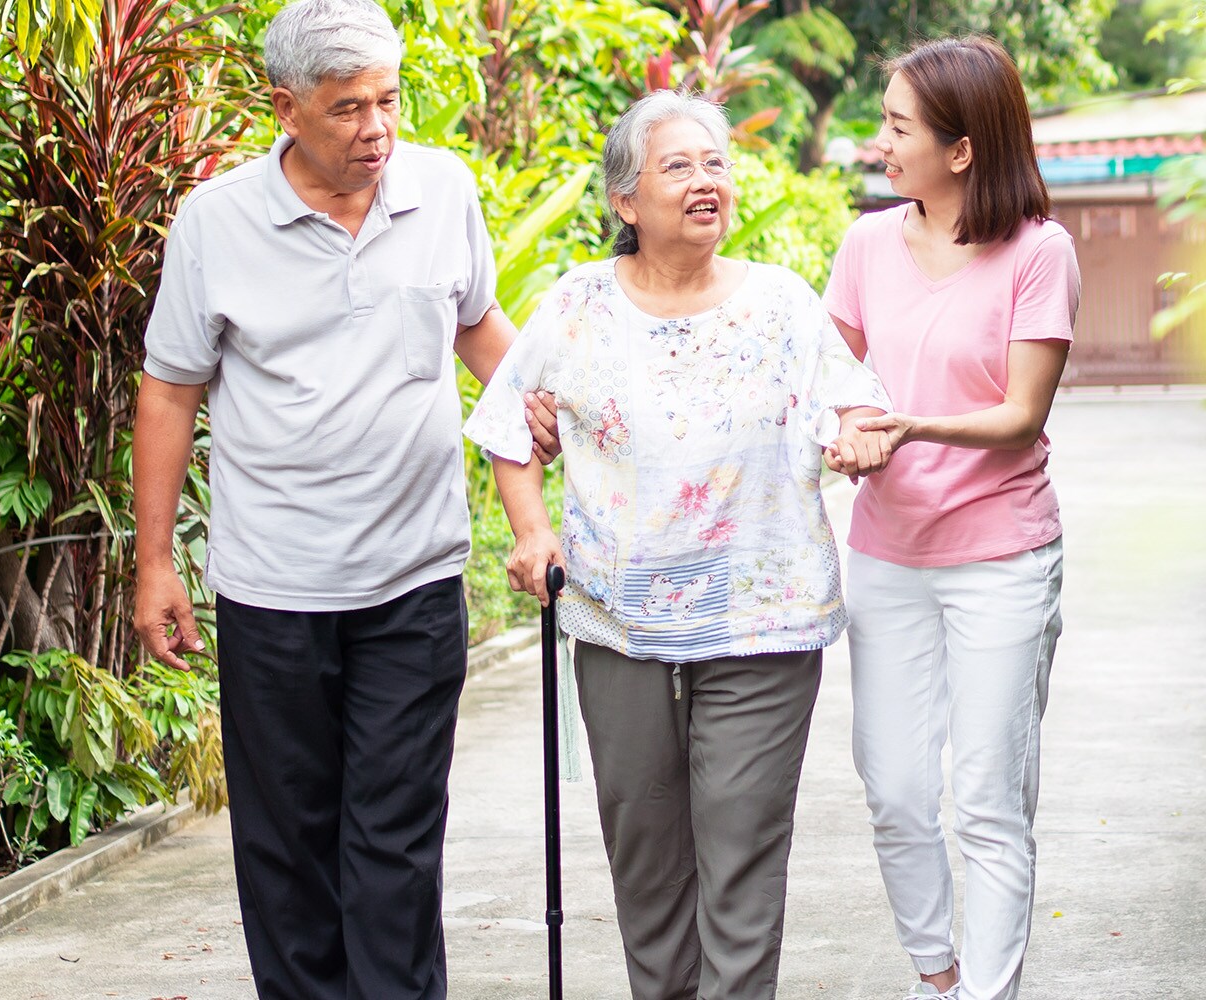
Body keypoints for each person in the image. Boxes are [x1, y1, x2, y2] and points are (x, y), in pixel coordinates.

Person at [128, 0, 547, 993]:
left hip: (413, 577)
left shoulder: (439, 190)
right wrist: (154, 565)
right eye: (349, 107)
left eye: (389, 100)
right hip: (276, 588)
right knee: (288, 851)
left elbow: (480, 326)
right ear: (286, 108)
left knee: (395, 846)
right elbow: (169, 389)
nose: (377, 128)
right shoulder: (218, 222)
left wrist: (552, 407)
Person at [463, 90, 893, 1000]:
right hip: (617, 624)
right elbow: (508, 425)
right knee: (645, 857)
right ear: (626, 201)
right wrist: (531, 531)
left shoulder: (779, 303)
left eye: (716, 165)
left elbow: (856, 399)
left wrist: (858, 434)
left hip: (762, 623)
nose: (707, 182)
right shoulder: (577, 303)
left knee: (739, 853)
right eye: (679, 167)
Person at [823, 37, 1080, 1000]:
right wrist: (848, 425)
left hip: (1002, 557)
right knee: (893, 790)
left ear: (962, 150)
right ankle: (938, 972)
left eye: (897, 127)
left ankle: (988, 995)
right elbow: (830, 375)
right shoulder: (865, 245)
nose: (880, 143)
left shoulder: (1040, 253)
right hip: (888, 552)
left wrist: (909, 425)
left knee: (987, 799)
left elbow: (1022, 416)